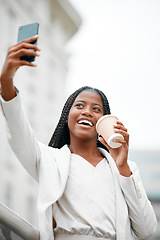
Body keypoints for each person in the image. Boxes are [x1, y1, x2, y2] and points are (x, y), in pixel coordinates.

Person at [0, 36, 157, 240]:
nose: (87, 112)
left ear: (104, 121)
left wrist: (123, 167)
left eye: (96, 109)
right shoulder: (50, 160)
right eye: (80, 106)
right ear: (67, 117)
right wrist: (6, 81)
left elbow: (146, 230)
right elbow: (19, 131)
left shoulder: (124, 169)